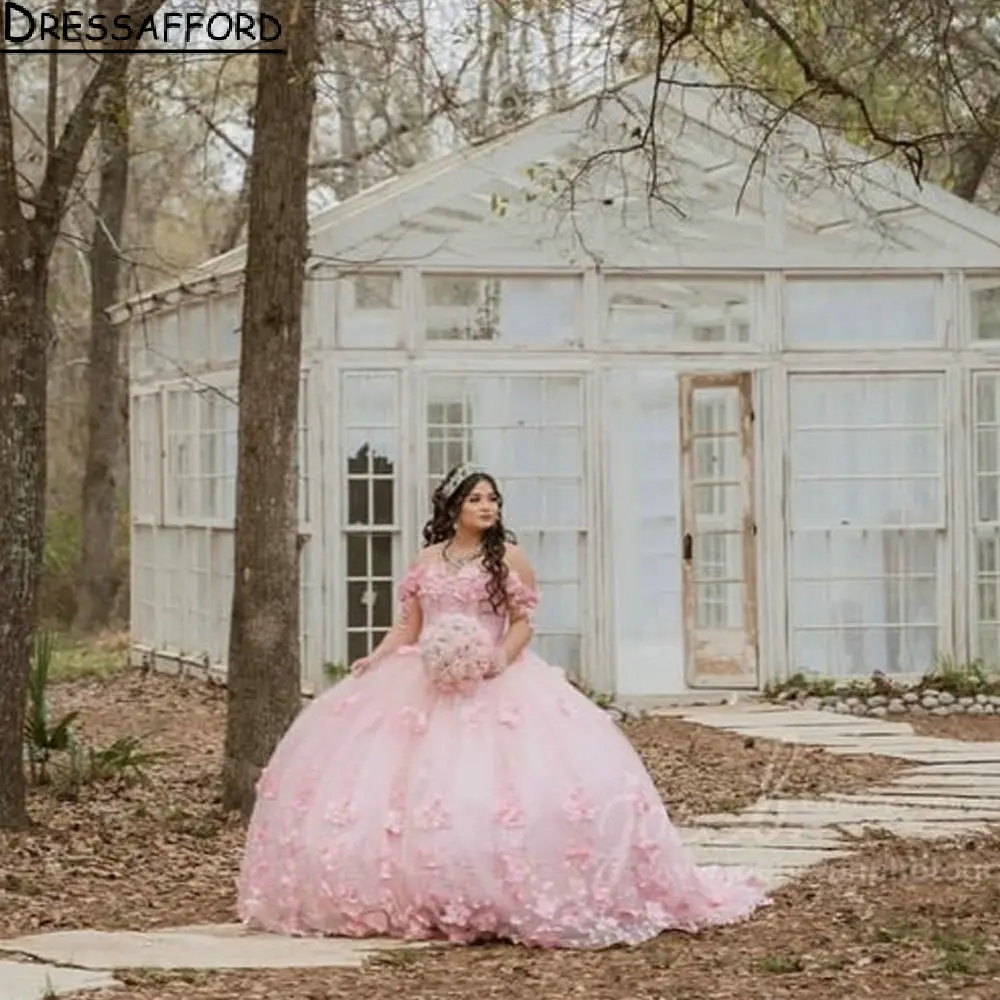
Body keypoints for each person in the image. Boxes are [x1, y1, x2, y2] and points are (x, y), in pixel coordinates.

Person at [237, 463, 770, 949]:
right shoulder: (426, 560)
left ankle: (495, 891)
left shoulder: (509, 557)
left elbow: (522, 624)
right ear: (453, 509)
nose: (487, 507)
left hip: (498, 679)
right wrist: (375, 659)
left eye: (492, 499)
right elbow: (409, 627)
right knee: (405, 791)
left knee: (501, 788)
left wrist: (496, 659)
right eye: (476, 500)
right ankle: (417, 893)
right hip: (425, 680)